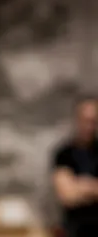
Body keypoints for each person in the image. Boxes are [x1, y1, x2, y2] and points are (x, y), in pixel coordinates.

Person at [51, 95, 98, 237]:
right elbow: (67, 196)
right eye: (85, 120)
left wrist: (80, 185)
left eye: (93, 121)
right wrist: (94, 187)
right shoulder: (64, 154)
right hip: (74, 230)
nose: (89, 126)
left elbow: (73, 190)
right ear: (77, 120)